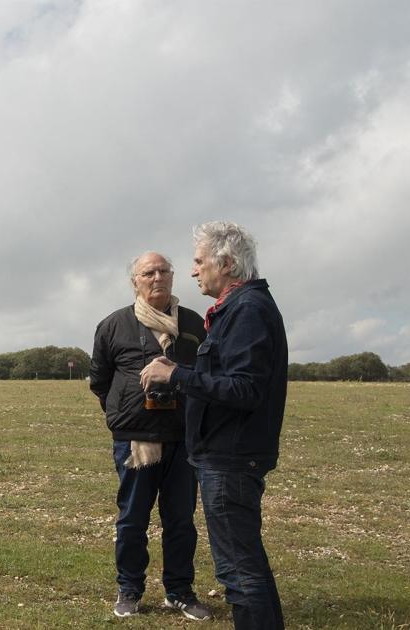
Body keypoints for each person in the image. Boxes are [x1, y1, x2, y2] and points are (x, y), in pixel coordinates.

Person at [141, 221, 288, 630]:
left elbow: (244, 390)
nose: (193, 271)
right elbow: (231, 378)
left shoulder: (247, 310)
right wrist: (182, 369)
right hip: (226, 455)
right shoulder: (241, 308)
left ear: (225, 263)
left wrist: (177, 377)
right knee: (246, 564)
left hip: (231, 458)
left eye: (199, 261)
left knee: (239, 573)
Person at [89, 252, 210, 621]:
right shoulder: (114, 325)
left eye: (164, 271)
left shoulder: (194, 323)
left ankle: (180, 590)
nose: (157, 277)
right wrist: (122, 412)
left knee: (180, 519)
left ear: (173, 277)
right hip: (135, 439)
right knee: (132, 519)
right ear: (135, 281)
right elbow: (100, 381)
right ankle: (130, 589)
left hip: (184, 437)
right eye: (148, 272)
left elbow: (208, 372)